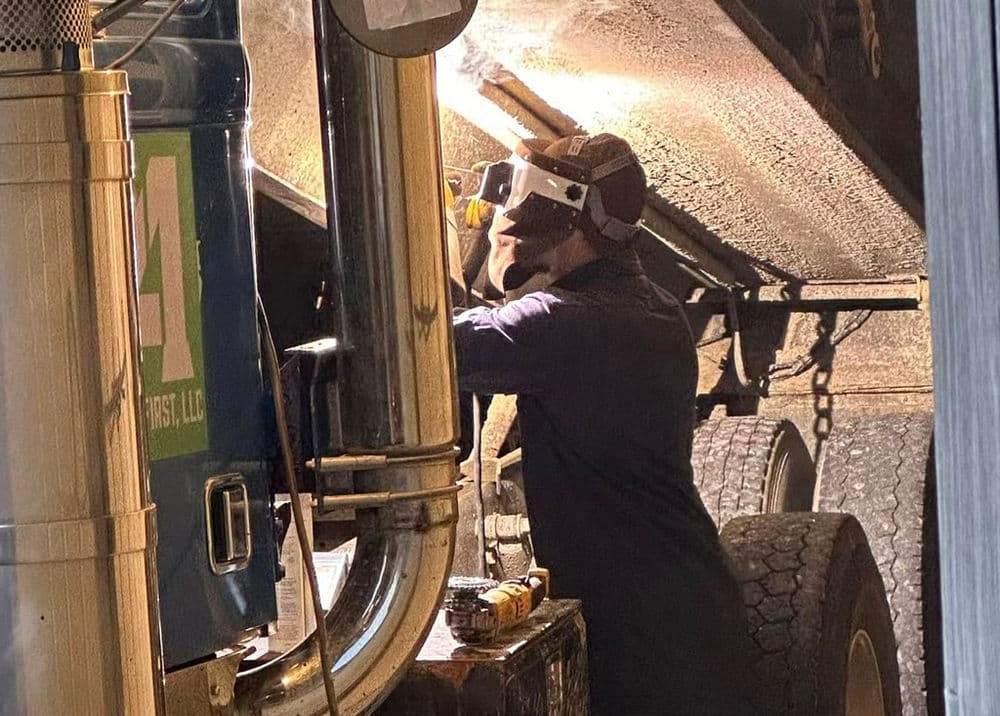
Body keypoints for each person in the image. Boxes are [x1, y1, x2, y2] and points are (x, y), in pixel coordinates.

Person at [452, 133, 753, 714]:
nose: (501, 221)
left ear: (564, 217)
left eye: (515, 202)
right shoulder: (652, 310)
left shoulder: (569, 325)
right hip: (683, 614)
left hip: (647, 644)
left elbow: (439, 351)